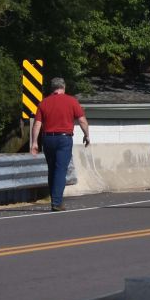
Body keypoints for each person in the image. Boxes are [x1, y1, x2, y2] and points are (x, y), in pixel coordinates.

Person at [29, 77, 90, 212]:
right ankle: (56, 202)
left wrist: (34, 142)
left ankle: (54, 199)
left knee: (52, 169)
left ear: (52, 88)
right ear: (64, 87)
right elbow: (82, 121)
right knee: (60, 170)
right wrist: (87, 135)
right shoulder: (71, 101)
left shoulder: (44, 103)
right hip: (64, 139)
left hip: (48, 139)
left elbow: (37, 124)